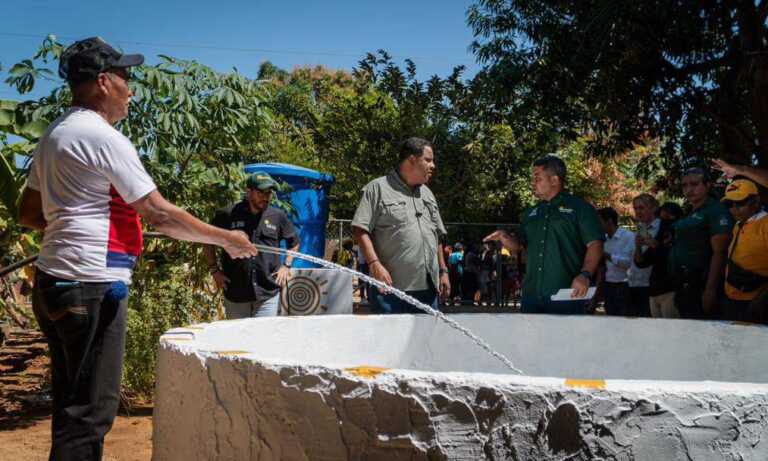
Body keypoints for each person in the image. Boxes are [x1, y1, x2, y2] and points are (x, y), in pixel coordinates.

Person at [16, 37, 257, 461]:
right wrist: (227, 239)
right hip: (92, 284)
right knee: (92, 412)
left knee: (71, 407)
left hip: (55, 282)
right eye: (127, 78)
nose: (132, 88)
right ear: (104, 82)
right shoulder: (103, 137)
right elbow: (159, 214)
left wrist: (74, 222)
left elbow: (29, 213)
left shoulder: (56, 134)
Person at [485, 155, 604, 315]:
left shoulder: (580, 208)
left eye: (537, 178)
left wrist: (585, 275)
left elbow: (595, 244)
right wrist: (504, 237)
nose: (532, 183)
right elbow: (519, 246)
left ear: (554, 180)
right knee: (531, 341)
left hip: (567, 294)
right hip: (531, 296)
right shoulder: (530, 213)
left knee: (566, 340)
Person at [351, 137, 451, 313]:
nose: (433, 165)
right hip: (390, 289)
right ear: (412, 160)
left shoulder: (427, 194)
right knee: (389, 340)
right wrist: (374, 264)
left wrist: (443, 271)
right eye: (428, 160)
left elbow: (437, 236)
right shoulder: (378, 188)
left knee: (426, 339)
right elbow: (359, 229)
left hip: (428, 290)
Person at [203, 171, 299, 319]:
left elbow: (294, 242)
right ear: (249, 192)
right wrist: (214, 270)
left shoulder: (277, 216)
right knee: (237, 340)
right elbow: (208, 241)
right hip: (236, 293)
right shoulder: (228, 214)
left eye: (269, 193)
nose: (266, 197)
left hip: (267, 294)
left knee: (263, 339)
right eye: (261, 193)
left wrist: (286, 265)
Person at [668, 166, 733, 319]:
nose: (689, 189)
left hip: (701, 285)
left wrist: (710, 290)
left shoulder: (716, 210)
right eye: (685, 185)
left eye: (694, 184)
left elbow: (720, 252)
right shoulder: (691, 212)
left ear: (707, 185)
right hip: (683, 285)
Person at [720, 179, 768, 321]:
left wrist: (763, 299)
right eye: (729, 204)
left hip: (757, 303)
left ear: (756, 201)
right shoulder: (738, 224)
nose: (734, 208)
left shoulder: (765, 225)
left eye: (740, 202)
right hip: (733, 299)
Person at [634, 201, 684, 318]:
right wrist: (638, 247)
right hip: (654, 291)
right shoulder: (659, 236)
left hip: (671, 291)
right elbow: (641, 263)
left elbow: (673, 257)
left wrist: (656, 245)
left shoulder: (680, 235)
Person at [625, 194, 661, 317]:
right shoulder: (641, 227)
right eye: (635, 208)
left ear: (653, 208)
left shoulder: (661, 227)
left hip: (652, 286)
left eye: (641, 208)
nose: (638, 212)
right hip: (634, 284)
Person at [597, 207, 635, 316]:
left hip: (625, 287)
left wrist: (606, 255)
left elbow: (629, 263)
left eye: (599, 221)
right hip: (608, 287)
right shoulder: (603, 239)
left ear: (609, 221)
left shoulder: (628, 237)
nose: (596, 225)